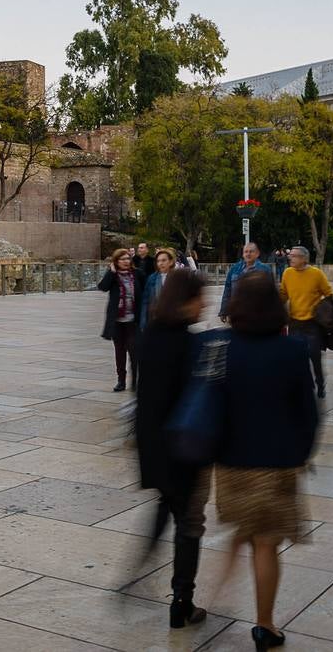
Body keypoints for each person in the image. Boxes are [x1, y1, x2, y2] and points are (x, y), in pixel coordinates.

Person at [218, 272, 320, 650]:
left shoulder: (222, 347)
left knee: (247, 532)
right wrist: (301, 453)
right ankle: (264, 625)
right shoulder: (292, 350)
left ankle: (220, 585)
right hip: (276, 464)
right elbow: (309, 414)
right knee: (266, 544)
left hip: (231, 463)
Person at [133, 269, 211, 629]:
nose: (203, 305)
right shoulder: (189, 344)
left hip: (153, 446)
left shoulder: (149, 336)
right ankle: (182, 601)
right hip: (184, 450)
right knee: (189, 523)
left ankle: (138, 571)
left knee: (170, 510)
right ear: (185, 301)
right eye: (199, 298)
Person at [279, 246, 332, 399]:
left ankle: (320, 383)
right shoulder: (287, 273)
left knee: (314, 355)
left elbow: (328, 293)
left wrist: (326, 314)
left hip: (312, 323)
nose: (290, 258)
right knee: (296, 356)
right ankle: (306, 384)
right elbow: (283, 294)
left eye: (294, 256)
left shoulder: (316, 274)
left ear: (304, 259)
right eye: (290, 255)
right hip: (294, 323)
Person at [98, 247, 142, 392]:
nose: (126, 261)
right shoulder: (113, 276)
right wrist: (111, 272)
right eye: (122, 259)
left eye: (128, 258)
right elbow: (103, 287)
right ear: (116, 261)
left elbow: (144, 291)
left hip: (133, 320)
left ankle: (135, 381)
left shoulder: (137, 274)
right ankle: (121, 380)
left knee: (134, 351)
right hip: (117, 320)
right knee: (120, 352)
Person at [220, 242, 272, 319]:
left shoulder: (265, 269)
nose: (248, 254)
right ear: (243, 254)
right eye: (246, 252)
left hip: (259, 313)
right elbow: (227, 290)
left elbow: (271, 293)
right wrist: (224, 311)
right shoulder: (234, 268)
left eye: (251, 251)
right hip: (237, 312)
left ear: (257, 253)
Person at [140, 248, 175, 331]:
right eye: (158, 261)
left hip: (173, 321)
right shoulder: (152, 278)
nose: (160, 263)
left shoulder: (178, 277)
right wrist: (143, 321)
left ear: (171, 262)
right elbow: (145, 301)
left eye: (163, 260)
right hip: (155, 319)